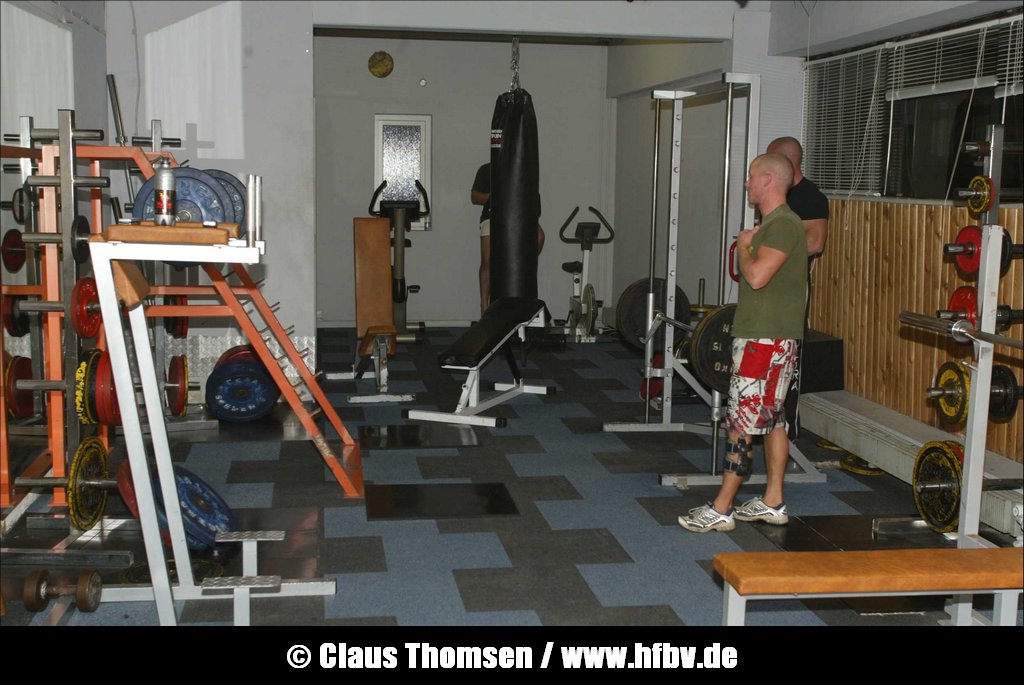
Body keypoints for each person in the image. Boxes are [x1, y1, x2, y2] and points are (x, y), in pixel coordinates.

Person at [678, 152, 808, 533]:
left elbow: (756, 276)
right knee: (773, 419)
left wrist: (745, 246)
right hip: (768, 338)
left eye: (751, 175)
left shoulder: (782, 225)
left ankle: (722, 507)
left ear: (768, 180)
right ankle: (773, 501)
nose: (747, 182)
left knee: (741, 422)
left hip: (764, 341)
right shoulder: (776, 225)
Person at [765, 137, 830, 438]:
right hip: (769, 283)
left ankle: (787, 426)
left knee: (788, 354)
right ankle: (763, 420)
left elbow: (815, 243)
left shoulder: (810, 196)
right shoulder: (777, 194)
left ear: (786, 161)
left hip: (791, 287)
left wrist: (772, 249)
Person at [471, 162, 545, 314]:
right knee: (487, 261)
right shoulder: (487, 169)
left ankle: (521, 272)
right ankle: (484, 308)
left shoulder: (524, 168)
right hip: (492, 217)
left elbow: (535, 205)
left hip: (519, 218)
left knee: (539, 236)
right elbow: (475, 197)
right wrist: (500, 195)